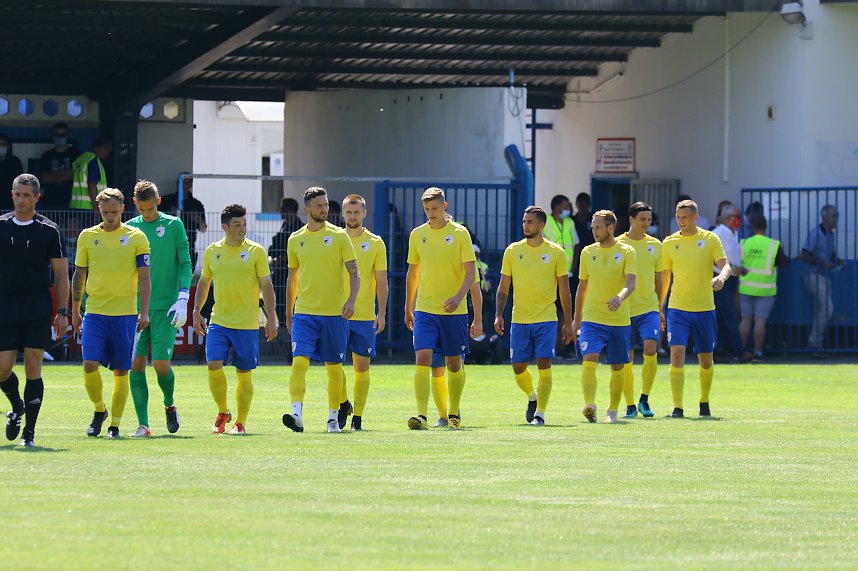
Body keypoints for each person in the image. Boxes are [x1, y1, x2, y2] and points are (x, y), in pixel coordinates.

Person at [72, 188, 150, 439]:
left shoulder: (136, 237)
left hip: (125, 314)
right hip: (94, 312)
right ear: (99, 211)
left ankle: (115, 425)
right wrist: (74, 310)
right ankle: (99, 411)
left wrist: (144, 312)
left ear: (123, 209)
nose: (110, 216)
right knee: (89, 364)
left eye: (114, 212)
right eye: (105, 212)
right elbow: (79, 274)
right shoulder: (87, 236)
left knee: (120, 370)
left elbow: (145, 278)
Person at [193, 204, 277, 435]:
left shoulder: (256, 251)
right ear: (225, 227)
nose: (242, 229)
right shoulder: (213, 251)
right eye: (237, 225)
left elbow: (267, 286)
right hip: (219, 321)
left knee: (243, 372)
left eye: (244, 224)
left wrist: (271, 318)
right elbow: (204, 282)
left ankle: (240, 422)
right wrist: (196, 311)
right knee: (213, 365)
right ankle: (223, 412)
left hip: (247, 324)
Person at [281, 187, 359, 434]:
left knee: (333, 367)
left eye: (326, 205)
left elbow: (354, 273)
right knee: (299, 363)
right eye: (319, 206)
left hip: (335, 314)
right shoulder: (295, 239)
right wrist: (288, 312)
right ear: (307, 209)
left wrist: (351, 300)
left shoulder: (340, 236)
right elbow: (292, 280)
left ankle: (333, 419)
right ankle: (296, 414)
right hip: (304, 313)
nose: (324, 209)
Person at [0, 174, 68, 447]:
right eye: (17, 194)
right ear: (12, 194)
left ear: (37, 197)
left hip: (37, 306)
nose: (21, 199)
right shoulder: (1, 226)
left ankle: (29, 433)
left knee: (32, 366)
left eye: (26, 195)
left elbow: (62, 274)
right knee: (2, 369)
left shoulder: (49, 230)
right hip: (5, 305)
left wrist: (63, 312)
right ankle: (17, 406)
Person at [404, 187, 481, 430]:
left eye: (435, 208)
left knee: (453, 363)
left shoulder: (460, 234)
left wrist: (460, 298)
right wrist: (409, 306)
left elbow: (471, 274)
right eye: (427, 209)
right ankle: (421, 415)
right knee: (423, 357)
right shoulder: (417, 235)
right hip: (425, 309)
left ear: (444, 206)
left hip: (453, 312)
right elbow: (412, 273)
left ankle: (454, 411)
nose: (431, 213)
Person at [125, 180, 193, 437]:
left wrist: (184, 296)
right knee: (136, 365)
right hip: (136, 309)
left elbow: (186, 263)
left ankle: (169, 404)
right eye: (142, 210)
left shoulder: (174, 225)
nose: (147, 214)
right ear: (135, 205)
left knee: (162, 365)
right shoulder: (129, 229)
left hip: (166, 308)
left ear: (158, 202)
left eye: (150, 209)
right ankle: (143, 424)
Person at [495, 206, 572, 426]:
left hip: (547, 319)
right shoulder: (512, 250)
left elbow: (564, 290)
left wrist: (568, 322)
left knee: (544, 363)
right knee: (518, 366)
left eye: (530, 222)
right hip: (519, 319)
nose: (525, 225)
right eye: (524, 221)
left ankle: (540, 414)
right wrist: (498, 314)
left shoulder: (556, 252)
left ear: (541, 225)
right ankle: (532, 397)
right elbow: (503, 287)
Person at [661, 199, 731, 418]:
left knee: (706, 359)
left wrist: (721, 277)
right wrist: (659, 306)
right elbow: (664, 278)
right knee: (677, 353)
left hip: (704, 308)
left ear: (695, 217)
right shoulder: (670, 243)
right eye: (678, 217)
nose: (680, 221)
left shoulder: (709, 239)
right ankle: (677, 407)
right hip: (678, 308)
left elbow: (726, 265)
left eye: (684, 217)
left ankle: (704, 402)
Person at [570, 210, 636, 424]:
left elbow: (631, 283)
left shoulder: (627, 251)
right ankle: (590, 405)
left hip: (618, 320)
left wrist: (619, 297)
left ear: (610, 228)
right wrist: (576, 319)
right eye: (593, 226)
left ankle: (613, 411)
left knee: (617, 366)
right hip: (592, 318)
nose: (594, 230)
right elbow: (582, 286)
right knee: (589, 358)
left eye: (598, 227)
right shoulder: (588, 253)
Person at [340, 194, 388, 431]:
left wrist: (382, 313)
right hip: (337, 315)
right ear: (342, 214)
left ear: (364, 214)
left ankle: (357, 417)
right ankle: (342, 404)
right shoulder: (335, 239)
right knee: (334, 365)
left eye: (356, 212)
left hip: (365, 315)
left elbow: (381, 281)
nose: (352, 216)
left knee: (362, 368)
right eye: (348, 212)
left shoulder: (376, 242)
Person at [617, 202, 664, 418]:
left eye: (649, 219)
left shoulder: (656, 245)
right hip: (625, 311)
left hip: (649, 308)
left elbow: (659, 278)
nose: (647, 223)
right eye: (643, 219)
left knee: (651, 349)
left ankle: (644, 399)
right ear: (631, 219)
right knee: (627, 357)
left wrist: (660, 306)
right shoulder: (618, 244)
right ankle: (629, 405)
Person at [739, 214, 789, 362]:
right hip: (765, 289)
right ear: (765, 227)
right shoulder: (774, 245)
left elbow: (736, 262)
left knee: (745, 320)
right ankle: (758, 352)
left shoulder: (743, 243)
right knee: (760, 321)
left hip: (746, 287)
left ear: (751, 227)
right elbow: (784, 263)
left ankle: (741, 351)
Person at [800, 204, 845, 352]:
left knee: (822, 309)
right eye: (833, 216)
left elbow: (829, 252)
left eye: (836, 216)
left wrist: (838, 260)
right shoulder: (816, 234)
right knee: (827, 308)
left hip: (823, 276)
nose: (836, 219)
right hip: (813, 275)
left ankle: (816, 342)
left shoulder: (830, 234)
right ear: (824, 217)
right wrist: (823, 263)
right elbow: (804, 254)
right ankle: (814, 343)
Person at [712, 204, 747, 363]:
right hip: (721, 279)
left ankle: (719, 351)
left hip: (731, 279)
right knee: (730, 315)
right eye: (735, 217)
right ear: (726, 218)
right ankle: (738, 352)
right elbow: (712, 257)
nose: (739, 220)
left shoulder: (734, 233)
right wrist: (733, 268)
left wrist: (739, 269)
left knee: (722, 316)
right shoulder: (718, 234)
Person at [544, 194, 578, 358]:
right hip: (551, 276)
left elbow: (576, 245)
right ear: (556, 207)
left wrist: (575, 265)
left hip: (568, 274)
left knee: (566, 312)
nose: (569, 208)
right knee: (554, 312)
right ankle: (554, 348)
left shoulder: (570, 223)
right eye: (566, 206)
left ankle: (565, 348)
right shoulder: (546, 223)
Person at [268, 197, 303, 323]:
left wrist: (281, 260)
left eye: (282, 208)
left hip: (290, 272)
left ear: (290, 210)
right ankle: (283, 327)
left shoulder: (300, 228)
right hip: (279, 273)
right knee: (280, 303)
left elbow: (299, 251)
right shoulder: (285, 225)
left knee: (291, 302)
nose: (280, 211)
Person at [38, 122, 77, 210]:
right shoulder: (46, 156)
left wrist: (52, 174)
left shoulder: (75, 153)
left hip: (70, 201)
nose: (60, 137)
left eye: (63, 135)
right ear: (53, 136)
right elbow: (44, 178)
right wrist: (68, 176)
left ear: (67, 136)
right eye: (57, 135)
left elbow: (76, 173)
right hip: (51, 201)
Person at [70, 137, 111, 212]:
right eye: (108, 151)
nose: (108, 154)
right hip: (89, 208)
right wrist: (96, 208)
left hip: (75, 205)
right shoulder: (93, 160)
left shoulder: (82, 158)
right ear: (103, 148)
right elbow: (92, 184)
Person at [0, 134, 24, 212]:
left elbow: (20, 182)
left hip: (10, 203)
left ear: (8, 146)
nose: (1, 147)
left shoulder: (15, 162)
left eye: (3, 144)